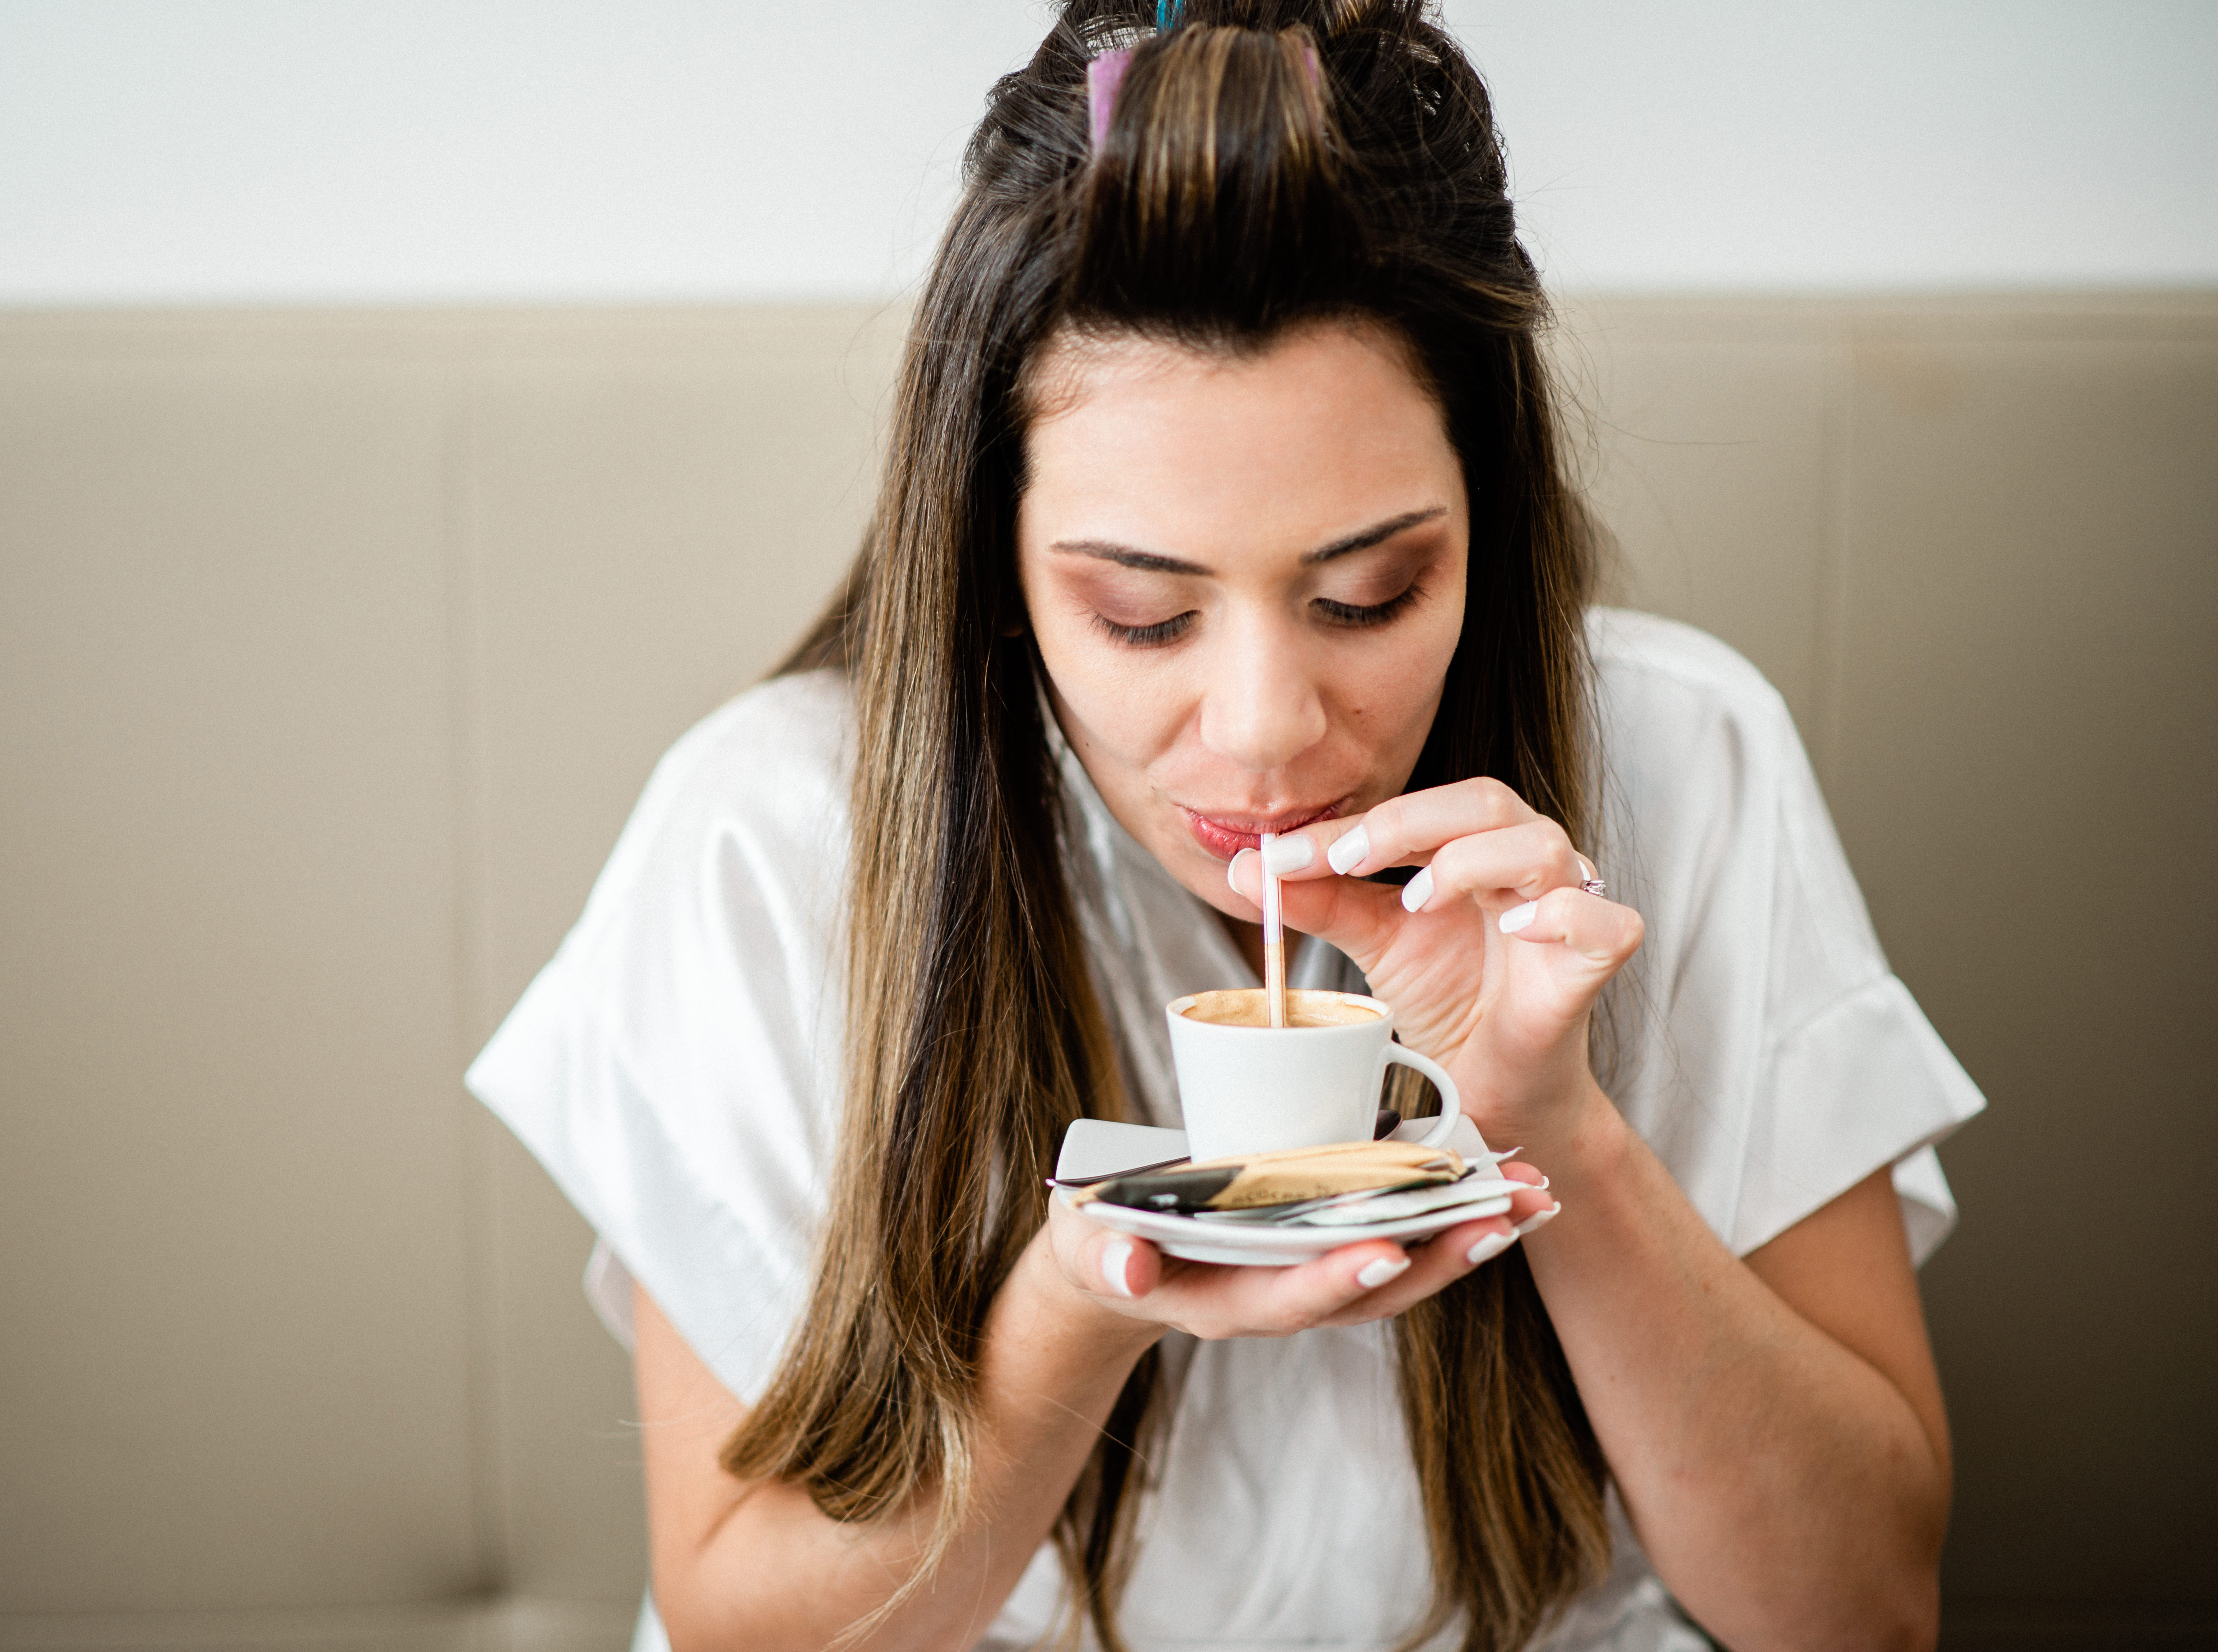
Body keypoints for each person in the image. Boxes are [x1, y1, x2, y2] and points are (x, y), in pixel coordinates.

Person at [467, 4, 1984, 1649]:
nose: (1264, 726)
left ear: (1486, 515)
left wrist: (1560, 1125)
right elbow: (739, 1626)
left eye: (1365, 592)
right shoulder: (769, 844)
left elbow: (1858, 1612)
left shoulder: (1685, 764)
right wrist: (1070, 1308)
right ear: (997, 554)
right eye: (1140, 615)